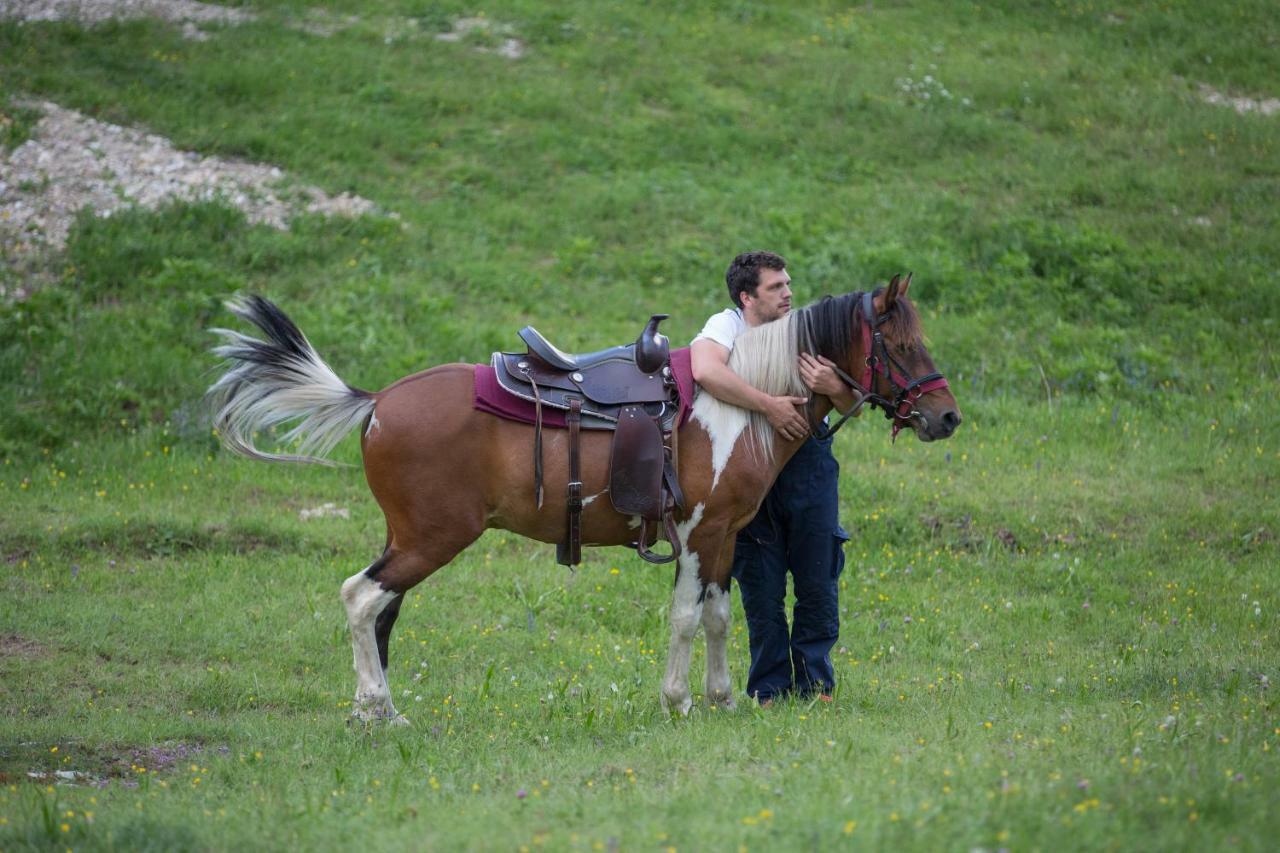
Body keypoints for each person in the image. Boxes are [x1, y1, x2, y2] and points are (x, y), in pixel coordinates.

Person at [690, 251, 854, 704]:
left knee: (817, 573)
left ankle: (816, 686)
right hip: (746, 464)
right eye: (775, 287)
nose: (788, 293)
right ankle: (769, 690)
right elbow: (703, 369)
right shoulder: (726, 326)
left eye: (788, 284)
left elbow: (850, 401)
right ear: (747, 297)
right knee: (760, 583)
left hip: (807, 458)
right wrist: (769, 405)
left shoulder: (809, 328)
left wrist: (834, 386)